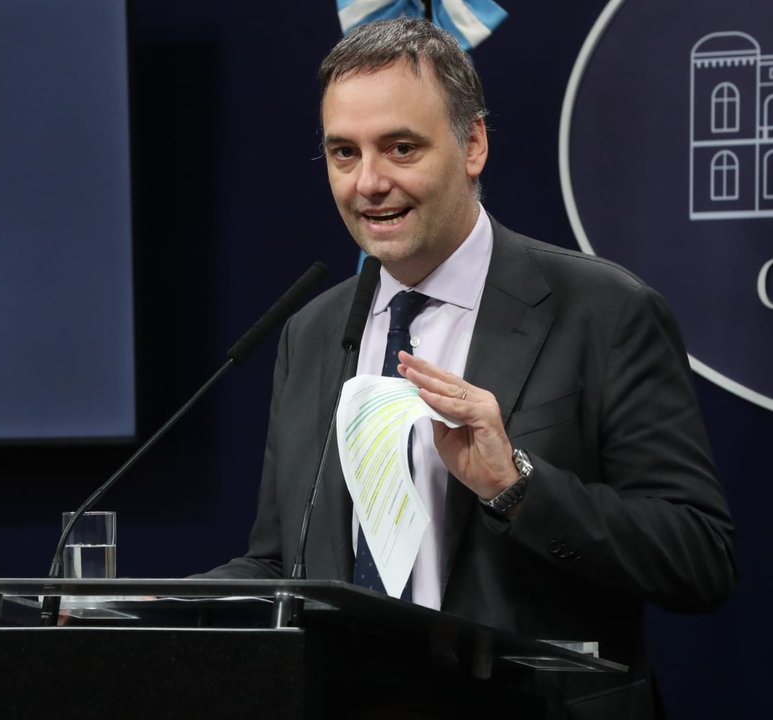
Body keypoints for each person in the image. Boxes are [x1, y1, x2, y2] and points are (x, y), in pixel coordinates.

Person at [200, 17, 736, 718]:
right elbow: (282, 563)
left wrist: (514, 484)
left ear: (473, 144)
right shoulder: (313, 331)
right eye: (343, 153)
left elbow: (698, 558)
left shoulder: (603, 311)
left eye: (401, 148)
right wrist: (144, 608)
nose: (369, 183)